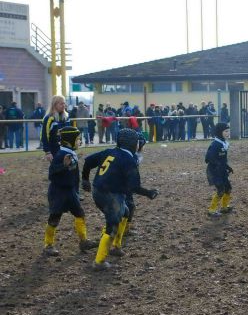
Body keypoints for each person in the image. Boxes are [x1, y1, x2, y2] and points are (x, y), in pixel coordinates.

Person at [81, 128, 159, 270]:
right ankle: (99, 261)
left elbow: (88, 161)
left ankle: (116, 246)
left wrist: (85, 179)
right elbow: (134, 187)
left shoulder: (110, 151)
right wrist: (149, 193)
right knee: (112, 225)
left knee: (126, 212)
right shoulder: (128, 160)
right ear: (133, 143)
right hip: (110, 195)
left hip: (98, 190)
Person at [43, 126, 97, 256]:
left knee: (80, 214)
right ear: (69, 141)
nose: (80, 142)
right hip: (58, 193)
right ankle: (48, 245)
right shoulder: (61, 155)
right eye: (78, 139)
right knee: (54, 218)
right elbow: (52, 174)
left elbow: (73, 173)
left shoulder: (70, 153)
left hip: (70, 192)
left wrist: (79, 187)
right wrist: (63, 165)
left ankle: (84, 241)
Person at [205, 122, 234, 217]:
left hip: (222, 170)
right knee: (221, 190)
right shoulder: (215, 144)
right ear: (219, 132)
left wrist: (227, 167)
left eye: (229, 131)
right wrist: (217, 164)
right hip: (214, 171)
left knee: (228, 188)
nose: (228, 133)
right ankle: (211, 210)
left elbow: (222, 159)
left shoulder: (224, 143)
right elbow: (208, 158)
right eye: (226, 131)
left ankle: (224, 207)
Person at [41, 95, 71, 161]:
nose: (63, 105)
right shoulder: (49, 118)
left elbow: (70, 133)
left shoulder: (67, 117)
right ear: (54, 105)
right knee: (56, 169)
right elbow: (44, 136)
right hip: (54, 150)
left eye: (64, 103)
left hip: (66, 149)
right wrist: (47, 151)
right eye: (61, 104)